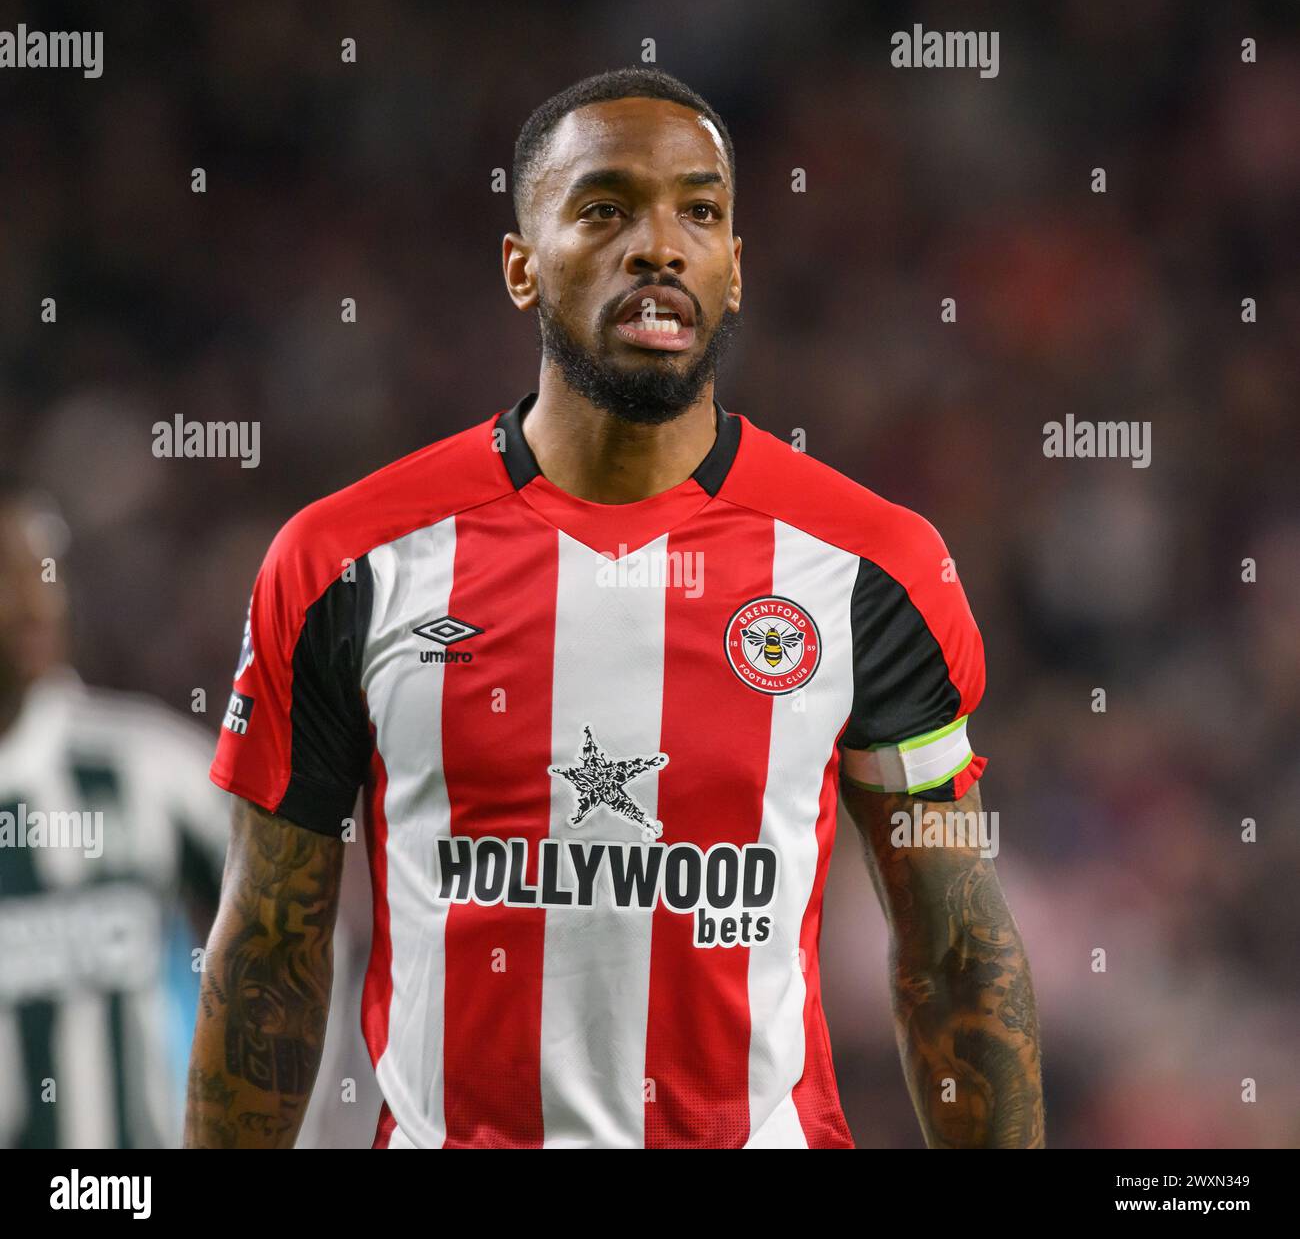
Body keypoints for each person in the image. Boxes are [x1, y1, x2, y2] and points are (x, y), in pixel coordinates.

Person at [185, 67, 1044, 1149]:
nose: (659, 245)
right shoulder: (344, 562)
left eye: (700, 212)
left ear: (735, 272)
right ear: (520, 268)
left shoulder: (874, 569)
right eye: (604, 209)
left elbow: (953, 950)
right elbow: (267, 952)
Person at [0, 479, 228, 1147]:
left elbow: (291, 934)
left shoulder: (147, 768)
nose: (39, 602)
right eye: (9, 576)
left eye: (47, 571)